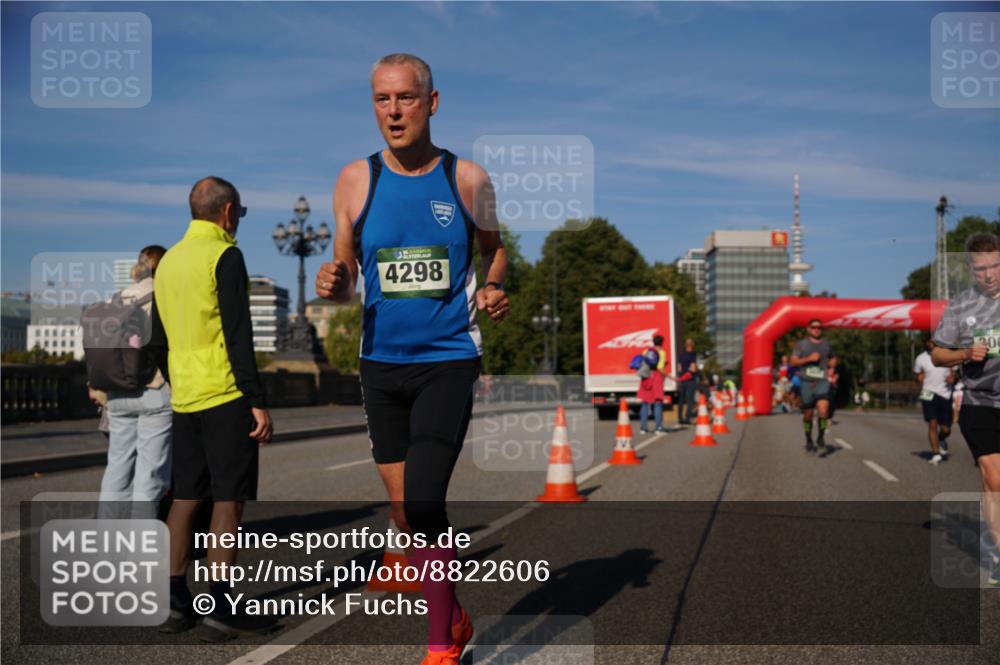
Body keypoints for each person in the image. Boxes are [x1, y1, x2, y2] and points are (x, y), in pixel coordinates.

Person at [314, 54, 509, 665]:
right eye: (380, 99)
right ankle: (453, 622)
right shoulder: (352, 180)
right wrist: (334, 280)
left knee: (425, 500)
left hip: (449, 358)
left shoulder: (468, 179)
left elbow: (495, 251)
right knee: (406, 515)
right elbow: (347, 274)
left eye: (403, 98)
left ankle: (437, 649)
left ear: (431, 102)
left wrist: (495, 285)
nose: (392, 112)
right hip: (380, 365)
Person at [151, 176, 275, 636]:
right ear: (226, 212)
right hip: (225, 394)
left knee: (185, 498)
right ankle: (220, 601)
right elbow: (239, 333)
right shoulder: (225, 255)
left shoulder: (167, 262)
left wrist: (181, 378)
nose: (237, 223)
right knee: (228, 500)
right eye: (239, 215)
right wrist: (256, 400)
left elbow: (156, 341)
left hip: (184, 397)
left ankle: (175, 599)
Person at [931, 232, 1000, 586]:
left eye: (994, 266)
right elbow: (937, 353)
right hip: (980, 402)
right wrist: (964, 354)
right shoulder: (961, 305)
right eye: (980, 269)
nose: (988, 275)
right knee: (995, 478)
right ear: (971, 270)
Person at [98, 246, 172, 519]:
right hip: (153, 388)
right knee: (150, 474)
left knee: (117, 467)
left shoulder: (118, 298)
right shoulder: (163, 295)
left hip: (117, 391)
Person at [791, 318, 837, 454]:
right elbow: (793, 361)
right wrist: (808, 359)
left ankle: (821, 438)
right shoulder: (802, 345)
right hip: (806, 382)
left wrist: (832, 367)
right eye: (814, 327)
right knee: (808, 415)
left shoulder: (827, 345)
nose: (817, 329)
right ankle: (808, 440)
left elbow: (833, 357)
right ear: (808, 329)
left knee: (823, 411)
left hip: (822, 382)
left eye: (819, 328)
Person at [913, 338, 955, 465]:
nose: (932, 343)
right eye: (930, 341)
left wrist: (953, 378)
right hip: (928, 393)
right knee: (932, 424)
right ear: (927, 343)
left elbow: (955, 374)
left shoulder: (948, 354)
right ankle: (936, 453)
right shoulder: (921, 358)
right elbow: (917, 375)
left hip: (945, 394)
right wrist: (918, 378)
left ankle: (941, 439)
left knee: (946, 429)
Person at [637, 334, 669, 434]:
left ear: (653, 342)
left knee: (645, 403)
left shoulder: (646, 351)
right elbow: (660, 367)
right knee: (658, 403)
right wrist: (667, 375)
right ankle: (658, 427)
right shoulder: (662, 353)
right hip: (656, 377)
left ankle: (643, 428)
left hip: (646, 377)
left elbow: (642, 363)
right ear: (662, 343)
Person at [676, 338, 698, 425]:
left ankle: (680, 418)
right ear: (692, 345)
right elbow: (693, 369)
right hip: (690, 379)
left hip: (682, 379)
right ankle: (687, 418)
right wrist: (696, 370)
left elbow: (679, 368)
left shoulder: (681, 355)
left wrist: (682, 374)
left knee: (681, 400)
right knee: (690, 400)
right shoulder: (693, 355)